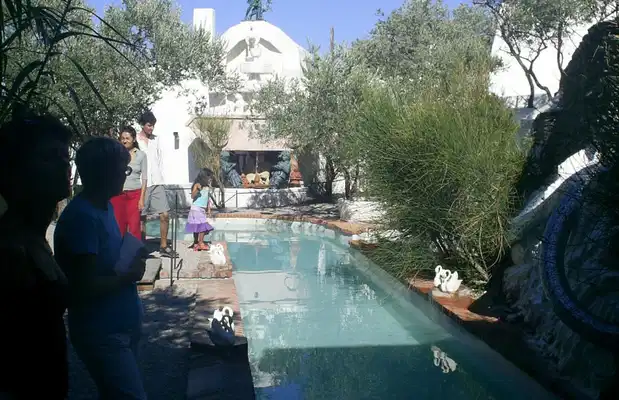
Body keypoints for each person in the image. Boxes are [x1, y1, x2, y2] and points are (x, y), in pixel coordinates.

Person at [54, 137, 147, 400]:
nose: (125, 175)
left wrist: (130, 256)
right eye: (122, 169)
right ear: (105, 171)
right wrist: (128, 276)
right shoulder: (83, 218)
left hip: (118, 328)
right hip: (102, 333)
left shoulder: (103, 208)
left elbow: (104, 262)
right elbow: (83, 286)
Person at [0, 111, 72, 399]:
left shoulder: (32, 236)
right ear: (13, 170)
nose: (63, 165)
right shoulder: (10, 251)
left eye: (65, 156)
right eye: (49, 157)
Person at [136, 110, 178, 257]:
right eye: (149, 125)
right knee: (142, 217)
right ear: (143, 125)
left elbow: (159, 159)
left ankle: (164, 246)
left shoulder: (156, 139)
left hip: (157, 181)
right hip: (142, 183)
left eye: (153, 125)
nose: (151, 128)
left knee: (165, 214)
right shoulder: (136, 140)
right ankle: (141, 247)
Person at [110, 126, 148, 238]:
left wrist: (142, 199)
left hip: (134, 195)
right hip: (118, 194)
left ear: (134, 139)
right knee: (118, 225)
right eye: (122, 138)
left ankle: (134, 248)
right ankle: (119, 247)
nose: (124, 141)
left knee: (134, 226)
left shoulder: (141, 155)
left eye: (127, 138)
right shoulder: (116, 154)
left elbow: (144, 178)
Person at [186, 168, 214, 251]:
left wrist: (209, 209)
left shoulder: (207, 187)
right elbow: (192, 196)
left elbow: (207, 199)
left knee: (198, 226)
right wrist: (197, 189)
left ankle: (196, 243)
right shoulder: (197, 185)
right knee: (202, 226)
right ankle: (200, 243)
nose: (210, 179)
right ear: (204, 176)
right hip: (196, 208)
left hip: (201, 209)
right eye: (209, 177)